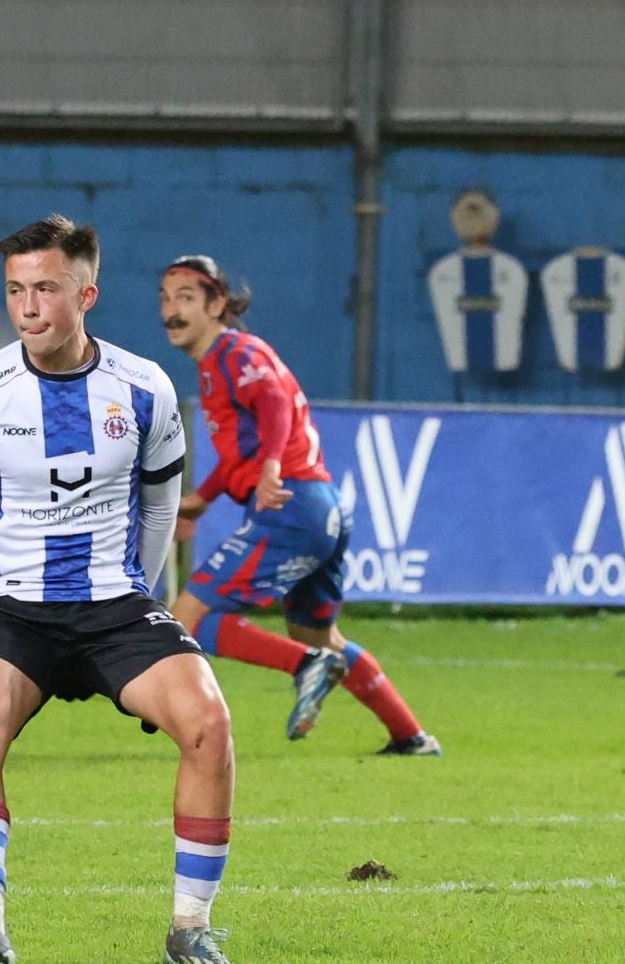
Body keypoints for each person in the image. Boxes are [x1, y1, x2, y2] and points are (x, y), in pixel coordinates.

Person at [0, 215, 238, 964]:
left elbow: (159, 509)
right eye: (16, 290)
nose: (27, 308)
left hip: (115, 606)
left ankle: (191, 926)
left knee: (209, 722)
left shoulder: (144, 388)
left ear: (86, 292)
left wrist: (144, 611)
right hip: (13, 610)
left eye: (45, 289)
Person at [160, 255, 441, 755]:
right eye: (165, 299)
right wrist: (204, 497)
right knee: (316, 631)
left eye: (185, 298)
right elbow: (240, 450)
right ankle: (411, 737)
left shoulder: (234, 352)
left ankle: (305, 666)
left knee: (189, 618)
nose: (171, 311)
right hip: (321, 503)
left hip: (290, 503)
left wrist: (269, 468)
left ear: (217, 304)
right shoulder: (217, 366)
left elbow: (273, 402)